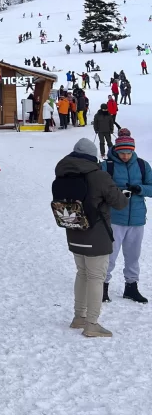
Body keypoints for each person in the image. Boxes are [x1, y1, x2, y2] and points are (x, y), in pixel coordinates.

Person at [54, 137, 128, 337]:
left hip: (73, 231)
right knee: (96, 277)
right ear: (92, 156)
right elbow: (119, 202)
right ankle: (92, 324)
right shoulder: (98, 175)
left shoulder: (62, 173)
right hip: (96, 234)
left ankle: (79, 317)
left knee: (82, 274)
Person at [102, 134, 151, 304]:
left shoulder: (142, 165)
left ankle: (131, 287)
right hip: (114, 218)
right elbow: (99, 189)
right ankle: (103, 287)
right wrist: (117, 192)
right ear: (116, 150)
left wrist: (140, 189)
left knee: (133, 256)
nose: (125, 156)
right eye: (122, 152)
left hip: (137, 219)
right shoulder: (106, 166)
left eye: (128, 153)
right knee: (109, 255)